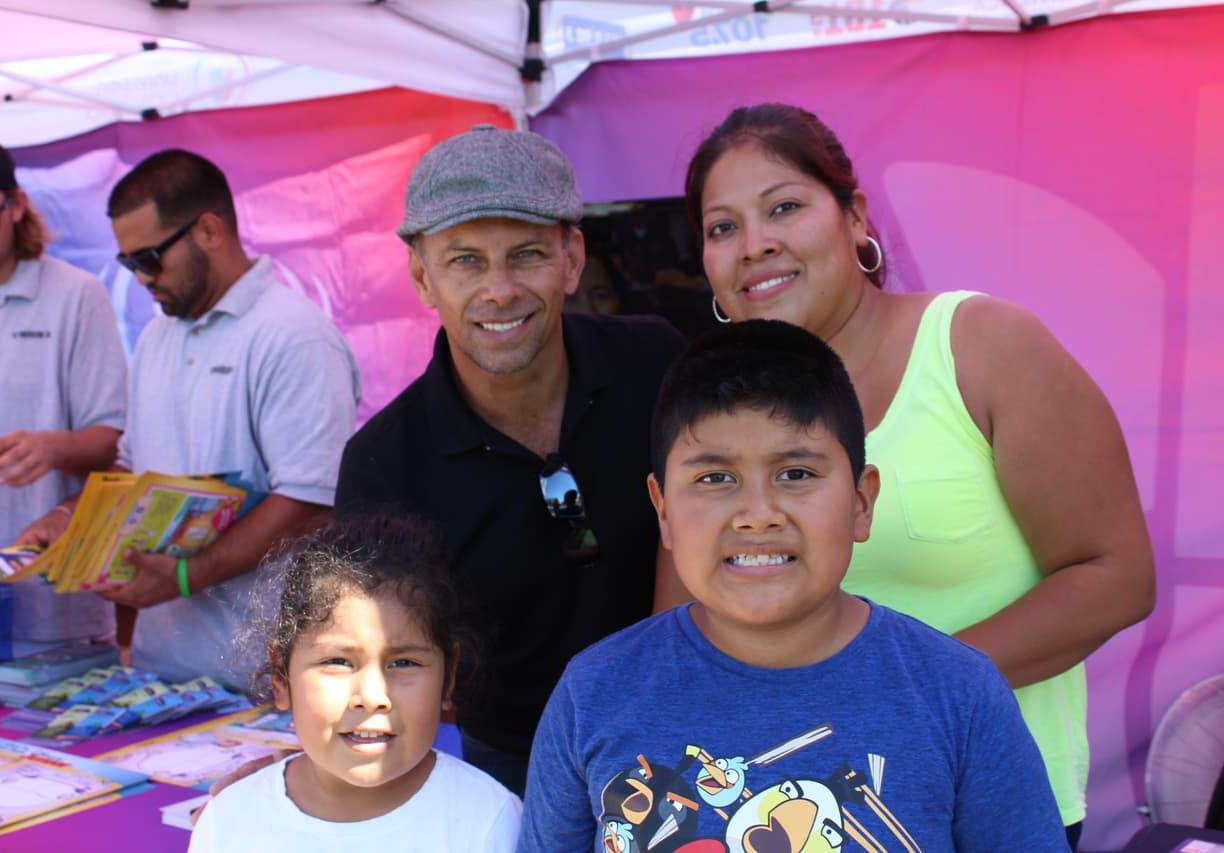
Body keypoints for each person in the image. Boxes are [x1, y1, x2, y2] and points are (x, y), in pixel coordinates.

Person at [683, 103, 1156, 846]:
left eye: (784, 207)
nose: (755, 245)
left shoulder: (982, 346)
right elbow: (679, 634)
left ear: (855, 217)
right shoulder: (710, 415)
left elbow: (1116, 575)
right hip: (795, 820)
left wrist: (890, 692)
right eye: (723, 227)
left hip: (994, 805)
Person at [518, 319, 1070, 852]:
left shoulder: (961, 696)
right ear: (663, 511)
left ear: (861, 501)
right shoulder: (592, 695)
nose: (758, 515)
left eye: (796, 474)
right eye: (715, 478)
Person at [334, 125, 685, 796]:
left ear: (572, 258)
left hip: (686, 730)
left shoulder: (656, 363)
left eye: (525, 254)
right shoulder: (383, 463)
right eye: (466, 260)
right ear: (422, 274)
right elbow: (380, 666)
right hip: (512, 776)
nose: (499, 290)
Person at [18, 149, 361, 691]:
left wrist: (185, 576)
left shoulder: (294, 336)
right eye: (129, 264)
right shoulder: (157, 337)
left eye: (149, 259)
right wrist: (70, 521)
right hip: (164, 675)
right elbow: (133, 469)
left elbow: (308, 504)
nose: (140, 279)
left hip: (265, 678)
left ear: (208, 230)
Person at [188, 516, 522, 852]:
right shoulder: (229, 821)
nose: (374, 696)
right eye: (337, 662)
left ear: (448, 679)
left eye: (404, 663)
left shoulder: (490, 821)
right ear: (280, 677)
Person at [0, 131, 125, 648]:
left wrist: (54, 448)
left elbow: (117, 445)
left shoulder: (76, 296)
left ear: (17, 206)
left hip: (51, 611)